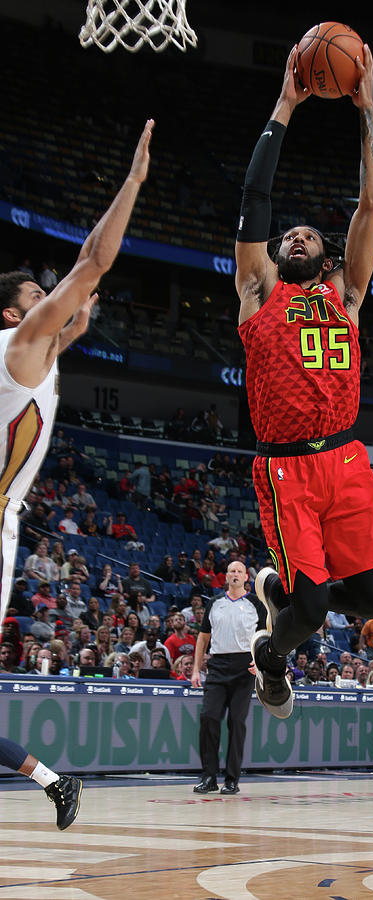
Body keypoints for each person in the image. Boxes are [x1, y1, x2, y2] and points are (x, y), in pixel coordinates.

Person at [234, 45, 373, 719]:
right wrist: (286, 103)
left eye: (309, 234)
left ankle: (283, 598)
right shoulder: (258, 290)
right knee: (307, 610)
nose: (296, 236)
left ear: (327, 256)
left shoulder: (346, 295)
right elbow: (255, 198)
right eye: (289, 236)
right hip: (287, 472)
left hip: (347, 459)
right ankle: (271, 660)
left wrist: (366, 109)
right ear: (276, 254)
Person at [0, 121, 153, 814]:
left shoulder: (35, 354)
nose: (50, 302)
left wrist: (72, 334)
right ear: (13, 313)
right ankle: (54, 781)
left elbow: (57, 339)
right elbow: (93, 261)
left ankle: (53, 781)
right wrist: (132, 183)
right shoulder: (18, 344)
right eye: (39, 296)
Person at [191, 561, 266, 794]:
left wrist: (260, 662)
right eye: (231, 571)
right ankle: (209, 777)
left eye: (239, 571)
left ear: (246, 578)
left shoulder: (256, 604)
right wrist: (195, 669)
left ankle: (232, 779)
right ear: (225, 577)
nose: (235, 574)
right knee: (208, 717)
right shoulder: (214, 603)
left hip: (245, 668)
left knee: (236, 722)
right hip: (218, 666)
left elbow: (266, 636)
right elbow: (203, 638)